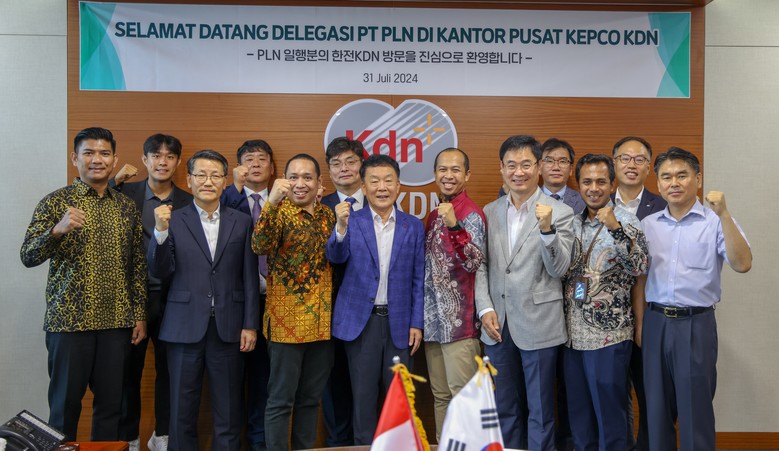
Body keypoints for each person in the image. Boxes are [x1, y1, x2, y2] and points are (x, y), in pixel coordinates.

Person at [20, 127, 147, 441]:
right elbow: (28, 255)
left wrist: (139, 314)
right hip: (68, 322)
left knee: (111, 408)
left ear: (114, 159)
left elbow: (137, 265)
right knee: (64, 408)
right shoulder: (56, 202)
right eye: (89, 153)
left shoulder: (126, 206)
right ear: (74, 158)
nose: (97, 160)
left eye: (104, 153)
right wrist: (57, 230)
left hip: (116, 323)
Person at [639, 147, 751, 451]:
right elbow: (639, 278)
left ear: (698, 179)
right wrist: (641, 326)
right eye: (666, 177)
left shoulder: (715, 222)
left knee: (695, 412)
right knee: (656, 411)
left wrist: (724, 214)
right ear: (658, 183)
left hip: (695, 325)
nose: (674, 183)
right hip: (655, 322)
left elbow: (743, 264)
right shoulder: (648, 225)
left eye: (682, 175)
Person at [148, 150, 259, 451]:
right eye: (201, 175)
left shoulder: (242, 221)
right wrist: (160, 232)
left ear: (225, 181)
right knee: (181, 411)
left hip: (229, 328)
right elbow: (159, 271)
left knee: (229, 412)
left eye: (215, 175)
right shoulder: (172, 219)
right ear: (189, 180)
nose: (208, 181)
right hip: (183, 327)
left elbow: (249, 276)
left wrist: (250, 324)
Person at [475, 135, 574, 451]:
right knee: (504, 408)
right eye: (512, 165)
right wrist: (484, 309)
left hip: (539, 324)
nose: (519, 172)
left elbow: (559, 269)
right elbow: (481, 265)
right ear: (501, 168)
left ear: (539, 166)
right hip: (497, 326)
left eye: (526, 164)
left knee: (541, 412)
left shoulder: (560, 213)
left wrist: (547, 230)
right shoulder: (489, 211)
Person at [325, 154, 425, 445]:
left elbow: (418, 279)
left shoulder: (413, 226)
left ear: (398, 186)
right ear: (364, 187)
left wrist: (416, 323)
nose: (382, 187)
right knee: (363, 401)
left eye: (388, 180)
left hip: (400, 325)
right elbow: (335, 257)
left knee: (400, 401)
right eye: (375, 181)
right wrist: (340, 227)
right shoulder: (351, 221)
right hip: (361, 325)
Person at [110, 134, 192, 451]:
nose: (162, 161)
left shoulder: (187, 200)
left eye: (170, 156)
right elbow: (91, 196)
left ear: (178, 162)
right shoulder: (124, 193)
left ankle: (163, 436)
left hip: (173, 298)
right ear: (144, 160)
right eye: (156, 155)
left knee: (169, 371)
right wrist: (115, 180)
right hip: (131, 298)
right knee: (127, 372)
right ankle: (128, 439)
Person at [562, 154, 648, 451]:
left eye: (601, 181)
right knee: (579, 416)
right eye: (587, 182)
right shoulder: (572, 223)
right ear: (578, 185)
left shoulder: (627, 220)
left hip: (609, 336)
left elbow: (640, 266)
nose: (594, 188)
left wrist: (615, 228)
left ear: (612, 184)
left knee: (610, 415)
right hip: (572, 336)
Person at [252, 154, 335, 451]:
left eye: (307, 177)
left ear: (319, 182)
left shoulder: (328, 216)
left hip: (322, 324)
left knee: (310, 400)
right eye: (294, 177)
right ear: (284, 181)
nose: (301, 184)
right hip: (285, 325)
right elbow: (259, 245)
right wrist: (271, 203)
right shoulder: (277, 212)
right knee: (280, 401)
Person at [423, 147, 485, 439]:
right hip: (433, 324)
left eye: (455, 170)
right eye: (443, 169)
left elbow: (475, 262)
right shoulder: (434, 214)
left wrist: (454, 225)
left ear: (467, 175)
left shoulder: (470, 213)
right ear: (435, 174)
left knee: (463, 399)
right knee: (441, 397)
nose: (448, 175)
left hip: (460, 326)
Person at [611, 136, 666, 451]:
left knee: (651, 395)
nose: (631, 165)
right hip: (607, 322)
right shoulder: (597, 203)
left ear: (649, 167)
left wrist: (643, 320)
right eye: (625, 158)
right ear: (614, 162)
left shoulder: (664, 206)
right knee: (612, 394)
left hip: (652, 316)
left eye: (639, 159)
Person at [220, 139, 275, 451]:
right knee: (229, 381)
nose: (255, 164)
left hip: (273, 304)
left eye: (261, 159)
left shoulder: (282, 201)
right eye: (248, 159)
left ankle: (259, 443)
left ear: (272, 167)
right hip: (235, 303)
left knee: (263, 380)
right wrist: (235, 188)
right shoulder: (225, 198)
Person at [319, 137, 366, 446]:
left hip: (372, 314)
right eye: (336, 164)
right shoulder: (318, 207)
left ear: (362, 164)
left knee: (368, 391)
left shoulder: (380, 201)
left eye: (350, 161)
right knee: (335, 390)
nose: (343, 168)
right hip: (329, 313)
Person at [539, 137, 586, 214]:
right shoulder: (529, 199)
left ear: (571, 169)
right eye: (549, 161)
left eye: (563, 161)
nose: (556, 167)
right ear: (539, 167)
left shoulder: (583, 201)